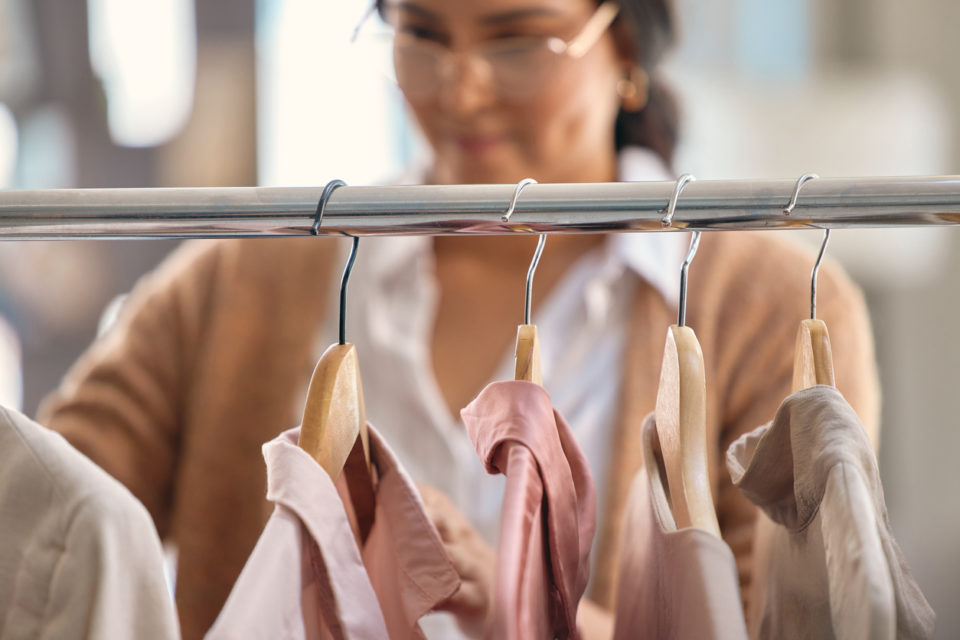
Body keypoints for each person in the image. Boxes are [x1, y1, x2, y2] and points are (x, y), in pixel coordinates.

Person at [37, 0, 880, 638]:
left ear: (624, 48)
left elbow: (765, 620)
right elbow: (47, 506)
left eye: (515, 41)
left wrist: (524, 607)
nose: (462, 89)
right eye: (424, 37)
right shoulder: (248, 277)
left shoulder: (772, 306)